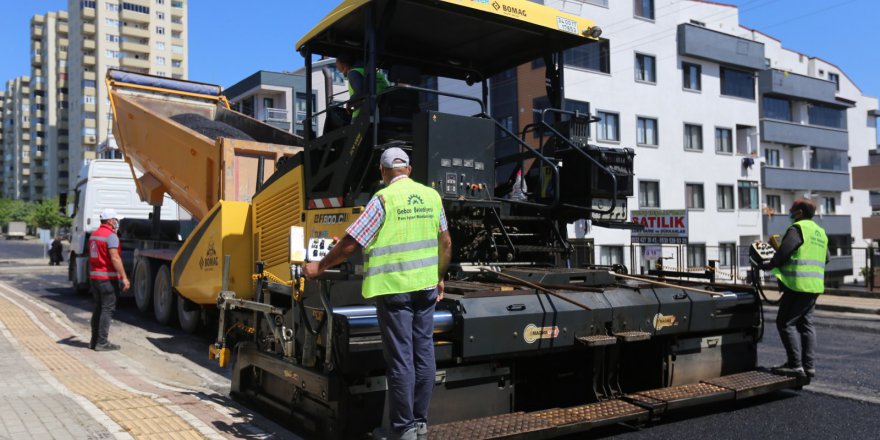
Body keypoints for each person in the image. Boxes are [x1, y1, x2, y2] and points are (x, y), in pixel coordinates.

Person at [304, 147, 452, 440]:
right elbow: (445, 242)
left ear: (383, 173)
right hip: (425, 288)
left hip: (395, 291)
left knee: (401, 361)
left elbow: (351, 243)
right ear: (408, 170)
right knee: (424, 354)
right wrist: (439, 277)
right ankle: (420, 423)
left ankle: (404, 429)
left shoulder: (383, 199)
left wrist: (319, 266)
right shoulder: (432, 196)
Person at [761, 198, 829, 378]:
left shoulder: (797, 228)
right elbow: (827, 258)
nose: (789, 212)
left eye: (791, 209)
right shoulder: (820, 232)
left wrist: (769, 264)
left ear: (799, 212)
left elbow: (785, 251)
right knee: (806, 324)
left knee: (785, 323)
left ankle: (795, 365)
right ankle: (808, 366)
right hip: (814, 286)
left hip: (797, 284)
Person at [88, 208, 130, 351]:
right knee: (107, 309)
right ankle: (102, 342)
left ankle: (94, 341)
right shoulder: (111, 236)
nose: (117, 223)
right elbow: (115, 257)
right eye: (116, 220)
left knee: (98, 308)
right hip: (107, 278)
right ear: (111, 221)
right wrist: (124, 277)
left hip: (95, 277)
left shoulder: (94, 235)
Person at [336, 53, 390, 120]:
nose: (336, 67)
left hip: (362, 116)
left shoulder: (353, 73)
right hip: (382, 113)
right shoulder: (375, 73)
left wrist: (349, 103)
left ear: (344, 65)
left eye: (337, 64)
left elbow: (360, 92)